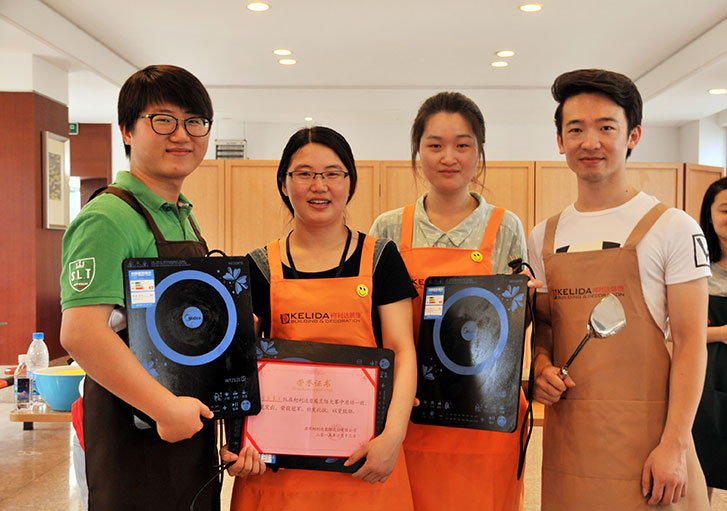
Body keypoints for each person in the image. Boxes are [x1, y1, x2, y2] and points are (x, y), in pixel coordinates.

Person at [528, 68, 710, 510]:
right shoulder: (543, 236)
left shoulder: (673, 227)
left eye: (606, 127)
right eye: (576, 129)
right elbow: (546, 329)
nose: (590, 142)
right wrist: (542, 367)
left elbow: (691, 343)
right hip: (572, 440)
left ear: (633, 135)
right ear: (560, 141)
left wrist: (674, 444)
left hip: (650, 441)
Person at [60, 64, 240, 511]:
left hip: (185, 420)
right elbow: (81, 333)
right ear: (126, 130)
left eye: (194, 122)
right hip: (134, 428)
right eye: (163, 120)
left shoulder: (182, 214)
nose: (181, 135)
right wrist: (162, 407)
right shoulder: (108, 217)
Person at [223, 126, 417, 510]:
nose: (319, 185)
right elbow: (238, 364)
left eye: (332, 173)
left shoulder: (381, 259)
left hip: (366, 462)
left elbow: (402, 351)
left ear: (350, 183)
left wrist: (393, 438)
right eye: (304, 173)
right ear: (284, 184)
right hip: (279, 471)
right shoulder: (257, 268)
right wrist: (237, 442)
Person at [369, 91, 529, 511]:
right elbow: (373, 323)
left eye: (462, 145)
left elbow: (516, 327)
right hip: (409, 410)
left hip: (483, 412)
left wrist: (523, 302)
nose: (448, 157)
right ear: (417, 151)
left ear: (479, 151)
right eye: (435, 145)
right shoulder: (389, 228)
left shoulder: (505, 227)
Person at [693, 177, 727, 502]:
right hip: (705, 378)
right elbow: (676, 330)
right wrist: (722, 334)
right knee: (704, 461)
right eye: (726, 209)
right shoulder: (697, 267)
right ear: (710, 214)